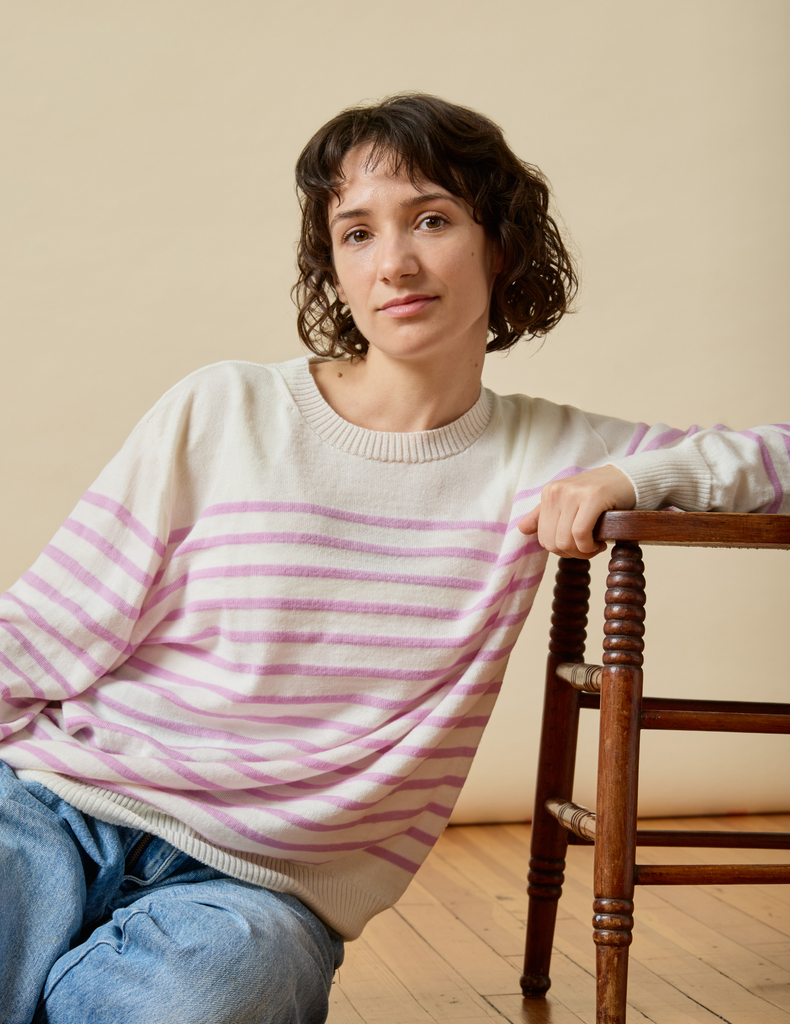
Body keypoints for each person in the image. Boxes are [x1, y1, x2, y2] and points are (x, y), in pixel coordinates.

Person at [0, 93, 787, 1024]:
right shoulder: (225, 409)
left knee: (207, 999)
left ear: (499, 243)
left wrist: (630, 477)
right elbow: (51, 623)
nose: (397, 263)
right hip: (51, 808)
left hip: (255, 896)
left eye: (432, 219)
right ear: (333, 269)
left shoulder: (544, 458)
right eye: (357, 233)